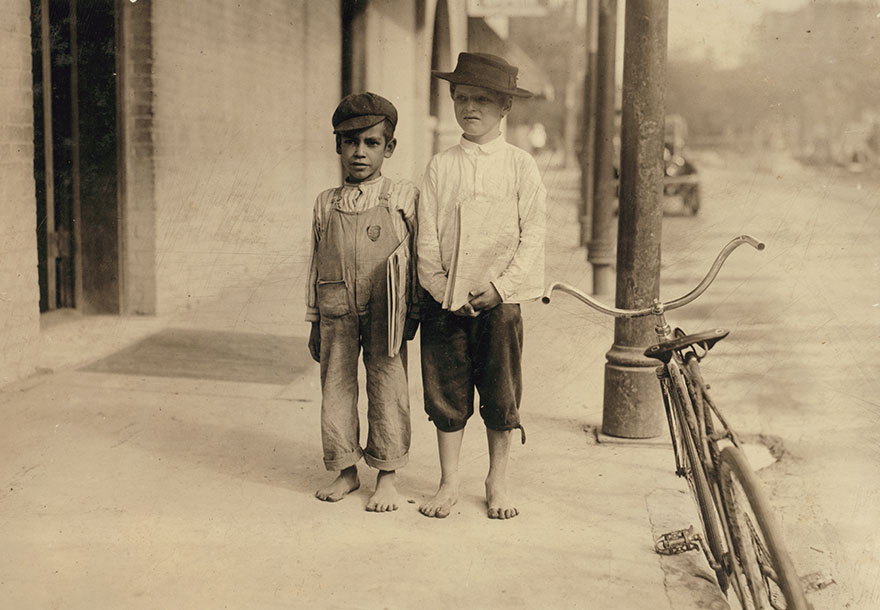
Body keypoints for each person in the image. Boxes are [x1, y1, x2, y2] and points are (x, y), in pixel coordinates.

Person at [417, 53, 546, 520]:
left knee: (500, 388)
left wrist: (501, 287)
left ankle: (497, 479)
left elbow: (532, 235)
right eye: (462, 97)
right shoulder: (440, 167)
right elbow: (426, 238)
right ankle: (449, 480)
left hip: (499, 302)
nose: (470, 107)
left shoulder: (520, 166)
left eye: (483, 100)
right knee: (446, 389)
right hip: (444, 301)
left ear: (505, 106)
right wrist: (440, 289)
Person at [305, 92, 419, 512]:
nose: (359, 152)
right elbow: (315, 264)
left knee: (388, 388)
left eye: (371, 143)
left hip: (385, 311)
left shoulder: (401, 197)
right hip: (335, 309)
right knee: (335, 388)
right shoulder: (326, 202)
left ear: (389, 148)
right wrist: (314, 320)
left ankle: (387, 476)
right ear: (338, 145)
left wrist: (413, 311)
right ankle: (345, 470)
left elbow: (417, 259)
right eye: (350, 142)